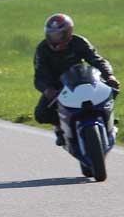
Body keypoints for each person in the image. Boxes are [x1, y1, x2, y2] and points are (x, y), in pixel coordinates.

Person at [33, 13, 119, 145]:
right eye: (51, 35)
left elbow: (96, 59)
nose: (54, 39)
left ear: (68, 33)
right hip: (57, 86)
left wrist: (109, 75)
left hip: (82, 78)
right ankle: (61, 127)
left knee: (111, 88)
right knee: (41, 114)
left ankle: (108, 118)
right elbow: (39, 75)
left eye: (58, 35)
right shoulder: (42, 49)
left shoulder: (79, 42)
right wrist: (47, 89)